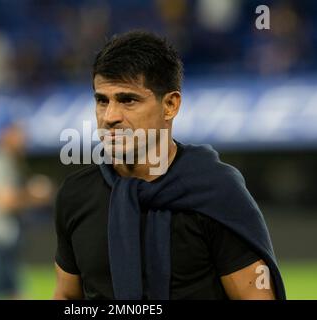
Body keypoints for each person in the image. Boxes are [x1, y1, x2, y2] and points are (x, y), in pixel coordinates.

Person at [53, 31, 285, 300]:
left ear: (171, 105)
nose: (110, 116)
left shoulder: (216, 191)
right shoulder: (76, 194)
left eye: (128, 100)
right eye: (102, 100)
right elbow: (68, 298)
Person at [0, 117, 53, 299]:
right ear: (5, 134)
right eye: (18, 132)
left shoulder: (11, 160)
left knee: (15, 291)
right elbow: (1, 201)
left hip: (6, 236)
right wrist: (34, 194)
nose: (24, 138)